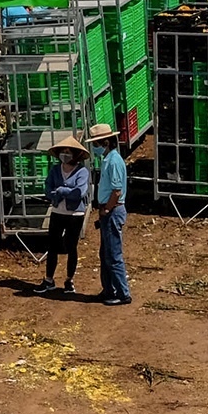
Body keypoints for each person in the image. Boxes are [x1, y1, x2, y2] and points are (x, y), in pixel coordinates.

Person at [35, 135, 91, 295]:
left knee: (71, 247)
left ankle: (69, 280)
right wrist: (61, 193)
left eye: (68, 152)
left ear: (75, 155)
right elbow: (48, 189)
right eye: (63, 152)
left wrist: (61, 191)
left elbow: (79, 192)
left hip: (75, 214)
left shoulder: (82, 171)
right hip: (57, 212)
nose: (65, 155)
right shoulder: (55, 170)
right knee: (52, 246)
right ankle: (49, 280)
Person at [88, 122, 131, 306]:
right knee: (106, 253)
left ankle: (122, 293)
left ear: (105, 142)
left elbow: (116, 191)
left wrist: (106, 209)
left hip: (112, 210)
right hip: (109, 210)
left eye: (96, 144)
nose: (94, 147)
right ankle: (109, 290)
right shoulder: (108, 160)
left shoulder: (113, 161)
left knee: (113, 255)